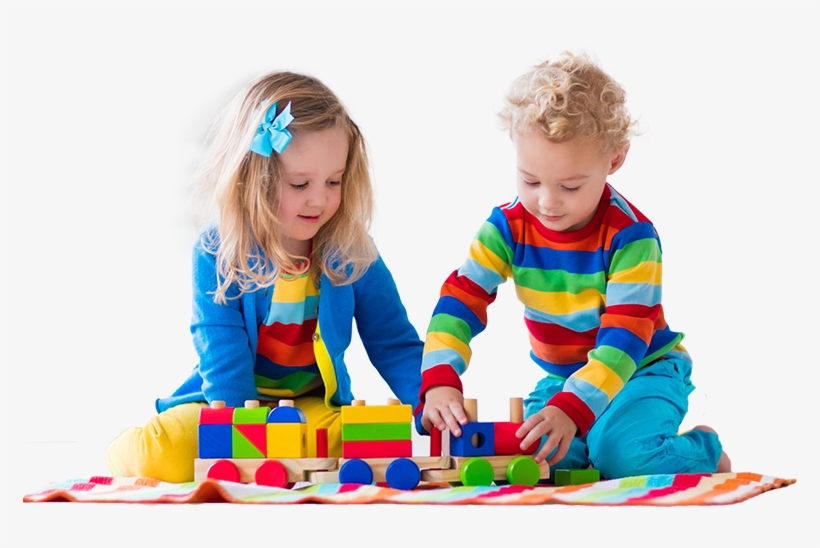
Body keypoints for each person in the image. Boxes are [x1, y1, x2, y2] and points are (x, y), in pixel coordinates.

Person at [418, 52, 731, 479]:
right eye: (530, 180)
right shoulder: (505, 228)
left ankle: (705, 450)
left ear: (614, 160)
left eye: (570, 186)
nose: (547, 202)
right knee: (536, 460)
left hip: (641, 369)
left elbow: (624, 341)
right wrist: (439, 378)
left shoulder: (631, 237)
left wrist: (572, 409)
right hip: (566, 378)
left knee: (623, 458)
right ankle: (593, 436)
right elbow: (461, 299)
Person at [106, 71, 424, 483]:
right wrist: (248, 437)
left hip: (305, 405)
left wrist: (428, 396)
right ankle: (121, 449)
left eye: (334, 181)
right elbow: (221, 350)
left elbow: (393, 340)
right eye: (299, 183)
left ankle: (290, 455)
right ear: (254, 179)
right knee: (161, 455)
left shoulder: (350, 250)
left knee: (366, 445)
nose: (320, 199)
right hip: (225, 403)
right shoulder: (217, 251)